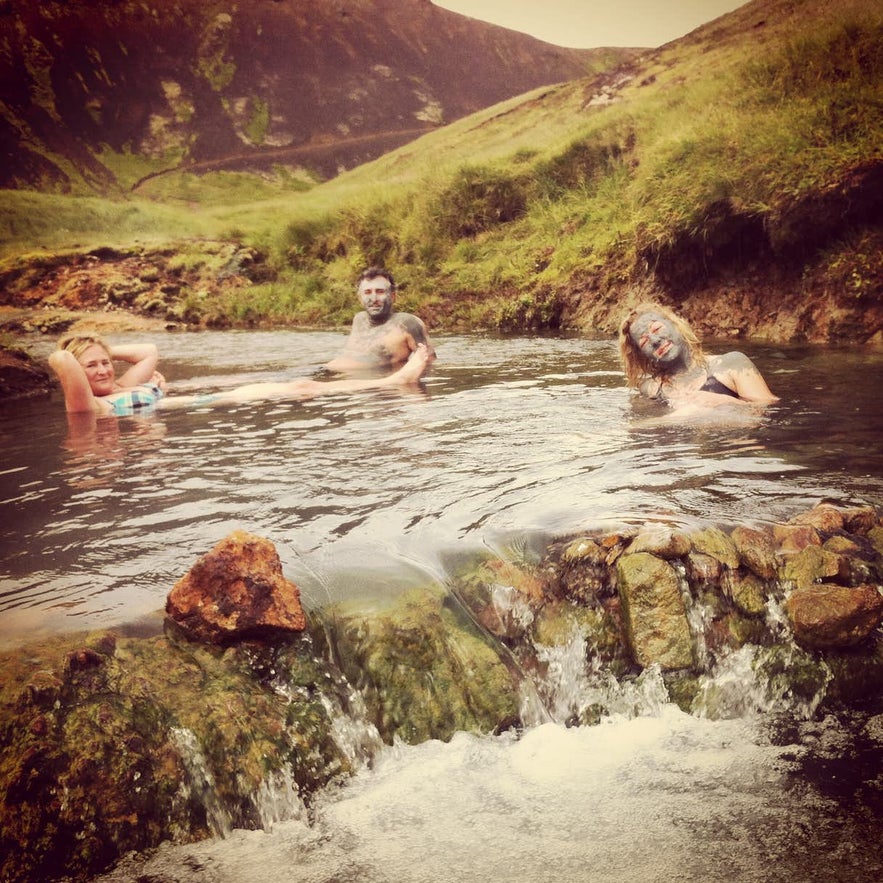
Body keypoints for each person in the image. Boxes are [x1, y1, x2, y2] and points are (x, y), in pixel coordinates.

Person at [49, 332, 432, 416]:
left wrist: (100, 347)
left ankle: (392, 382)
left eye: (105, 362)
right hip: (210, 403)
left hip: (210, 400)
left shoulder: (120, 385)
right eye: (92, 366)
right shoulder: (89, 407)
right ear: (77, 376)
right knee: (304, 388)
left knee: (304, 386)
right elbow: (62, 360)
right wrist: (76, 348)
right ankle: (394, 382)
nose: (103, 369)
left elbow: (149, 350)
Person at [618, 302, 778, 412]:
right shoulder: (651, 389)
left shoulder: (732, 363)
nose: (655, 341)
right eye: (644, 341)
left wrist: (725, 403)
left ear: (675, 324)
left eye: (656, 328)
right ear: (641, 354)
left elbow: (770, 412)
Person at [325, 266, 435, 375]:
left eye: (380, 292)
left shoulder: (407, 323)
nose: (374, 299)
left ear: (392, 296)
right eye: (367, 292)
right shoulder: (359, 319)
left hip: (376, 384)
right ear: (360, 298)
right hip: (337, 379)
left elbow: (430, 364)